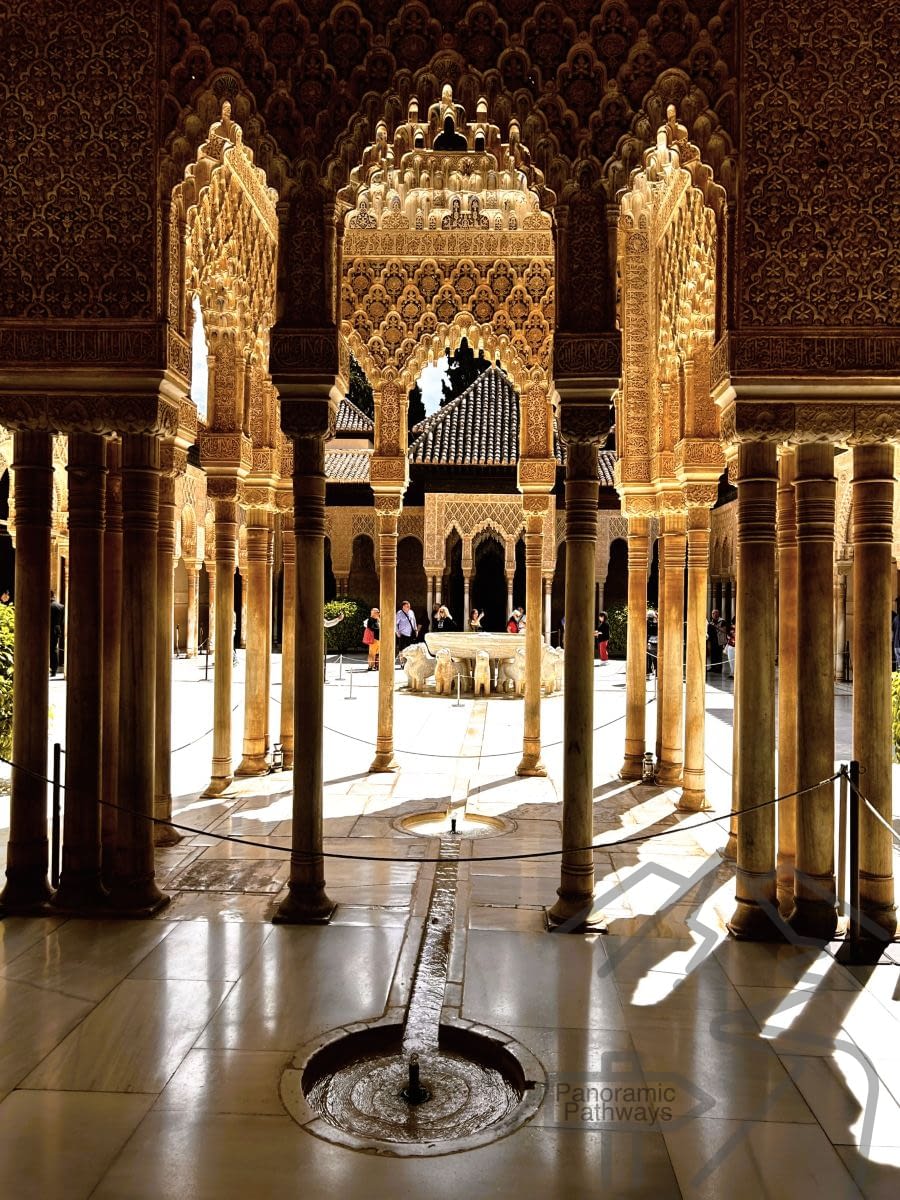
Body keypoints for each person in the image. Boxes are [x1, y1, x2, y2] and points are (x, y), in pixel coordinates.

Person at [50, 589, 64, 676]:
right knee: (53, 649)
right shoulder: (60, 606)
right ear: (54, 595)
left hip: (47, 629)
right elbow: (62, 621)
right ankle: (54, 669)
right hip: (56, 629)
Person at [707, 607, 723, 673]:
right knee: (713, 654)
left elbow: (723, 631)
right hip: (712, 641)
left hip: (719, 641)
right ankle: (713, 667)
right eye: (713, 613)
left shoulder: (722, 621)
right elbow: (709, 633)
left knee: (718, 655)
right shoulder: (710, 623)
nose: (714, 614)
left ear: (718, 614)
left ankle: (718, 669)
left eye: (716, 613)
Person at [646, 607, 658, 676]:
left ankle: (648, 670)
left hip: (649, 641)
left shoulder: (646, 623)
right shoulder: (657, 623)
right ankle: (656, 671)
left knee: (649, 656)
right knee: (655, 658)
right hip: (656, 641)